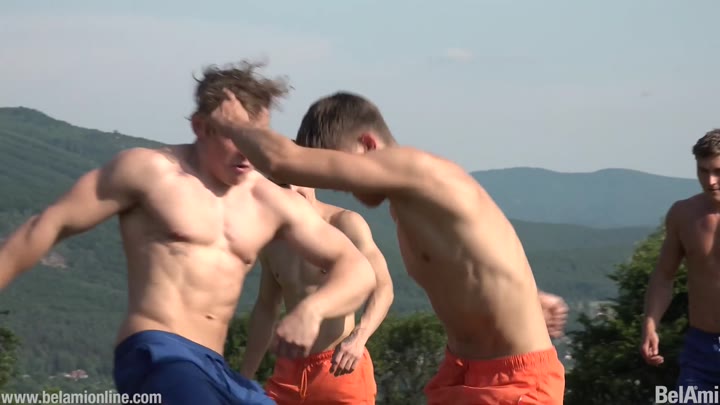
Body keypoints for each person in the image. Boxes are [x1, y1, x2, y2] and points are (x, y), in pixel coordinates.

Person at [0, 63, 377, 405]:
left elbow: (358, 269)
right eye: (234, 135)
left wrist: (313, 309)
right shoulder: (150, 172)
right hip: (159, 354)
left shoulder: (269, 200)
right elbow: (47, 225)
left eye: (256, 137)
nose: (247, 152)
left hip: (216, 369)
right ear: (200, 127)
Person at [209, 89, 568, 404]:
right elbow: (480, 251)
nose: (347, 188)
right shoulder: (410, 208)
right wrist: (527, 295)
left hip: (514, 381)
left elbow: (282, 162)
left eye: (344, 171)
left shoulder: (418, 170)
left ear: (368, 144)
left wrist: (231, 123)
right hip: (460, 371)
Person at [239, 181, 393, 404]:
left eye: (297, 181)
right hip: (288, 373)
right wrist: (243, 377)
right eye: (283, 185)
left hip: (339, 366)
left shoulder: (345, 223)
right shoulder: (272, 241)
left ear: (311, 179)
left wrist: (360, 337)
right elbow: (266, 307)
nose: (292, 191)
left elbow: (383, 287)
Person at [641, 129, 720, 396]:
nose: (710, 181)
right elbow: (664, 275)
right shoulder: (684, 213)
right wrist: (651, 323)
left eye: (718, 171)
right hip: (701, 350)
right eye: (703, 171)